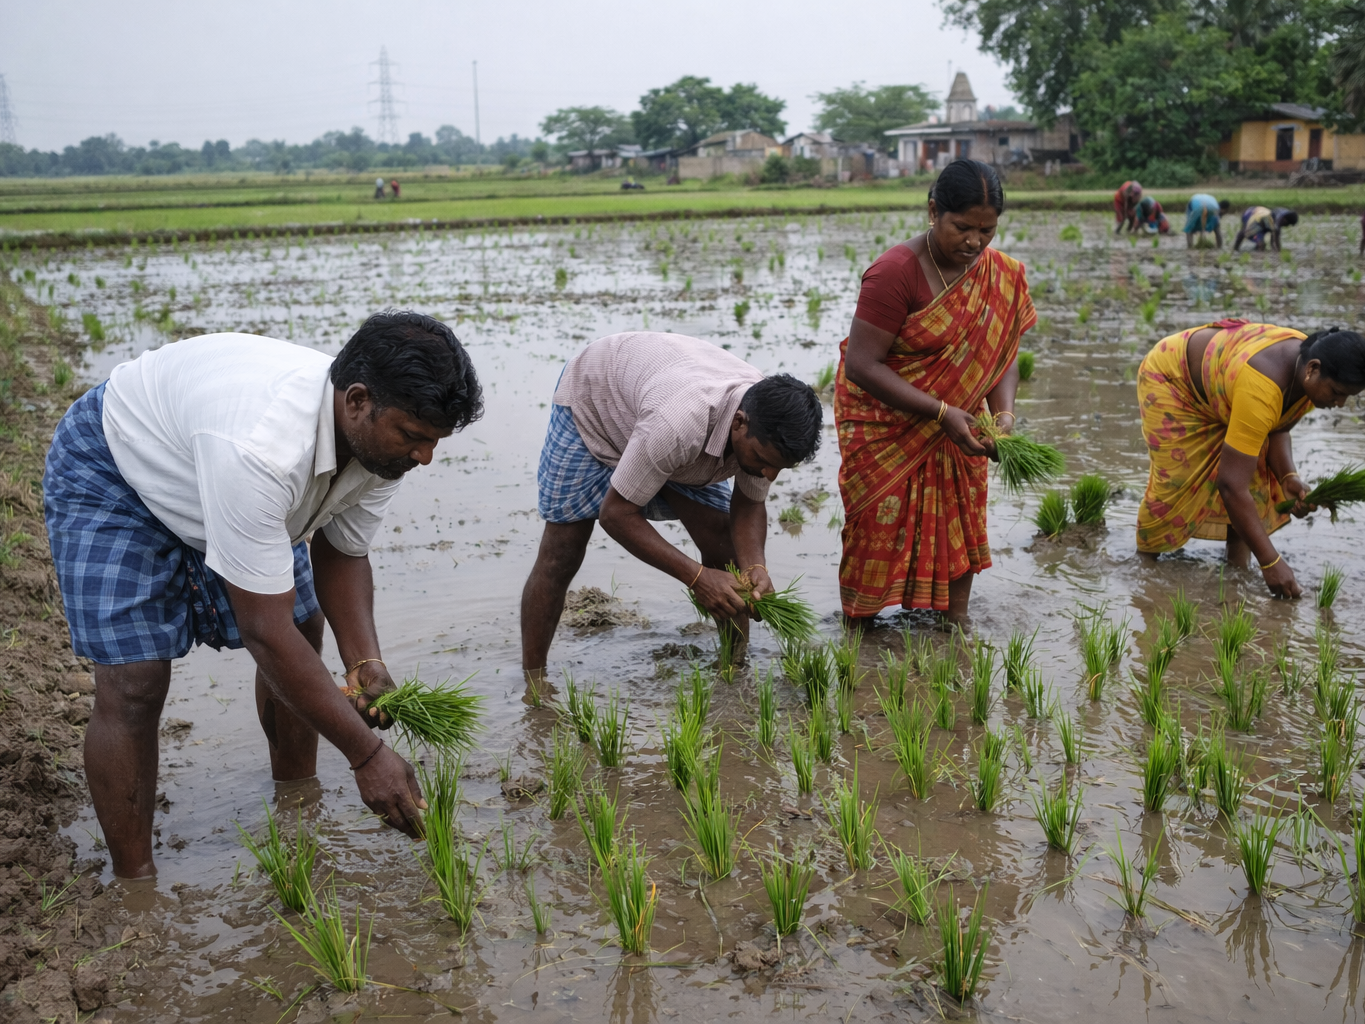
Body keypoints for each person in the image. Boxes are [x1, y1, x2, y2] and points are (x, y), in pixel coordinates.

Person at [43, 311, 483, 878]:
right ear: (356, 401)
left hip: (213, 463)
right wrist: (367, 755)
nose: (425, 458)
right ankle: (136, 884)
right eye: (414, 437)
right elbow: (263, 632)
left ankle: (297, 802)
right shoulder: (262, 448)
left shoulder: (381, 449)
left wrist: (364, 662)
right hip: (117, 468)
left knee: (305, 625)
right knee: (136, 680)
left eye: (434, 441)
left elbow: (342, 554)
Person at [520, 333, 823, 679]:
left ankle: (734, 671)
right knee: (562, 551)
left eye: (779, 468)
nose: (769, 473)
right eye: (763, 460)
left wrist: (757, 566)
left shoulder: (766, 430)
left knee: (723, 544)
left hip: (655, 420)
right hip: (595, 405)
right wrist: (698, 578)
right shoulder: (679, 424)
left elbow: (750, 504)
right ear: (739, 423)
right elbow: (615, 515)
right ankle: (534, 682)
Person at [836, 158, 1036, 625]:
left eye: (986, 230)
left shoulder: (1002, 274)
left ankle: (955, 625)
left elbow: (1002, 350)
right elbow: (863, 364)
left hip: (960, 426)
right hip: (888, 423)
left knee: (960, 520)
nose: (974, 242)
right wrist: (940, 411)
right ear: (933, 211)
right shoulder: (894, 272)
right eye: (962, 227)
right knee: (874, 527)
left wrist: (1002, 415)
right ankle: (859, 634)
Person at [1135, 321, 1365, 598]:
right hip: (1174, 380)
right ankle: (1143, 571)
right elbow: (1230, 485)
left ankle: (1236, 573)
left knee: (1253, 472)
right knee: (1177, 481)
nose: (1339, 404)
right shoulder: (1265, 385)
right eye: (1337, 393)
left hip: (1227, 387)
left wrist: (1288, 478)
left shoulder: (1306, 369)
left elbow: (1277, 427)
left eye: (1348, 398)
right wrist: (1271, 562)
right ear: (1312, 369)